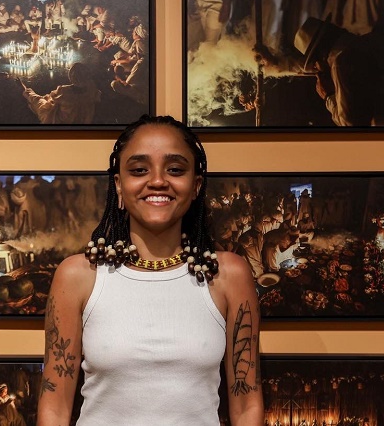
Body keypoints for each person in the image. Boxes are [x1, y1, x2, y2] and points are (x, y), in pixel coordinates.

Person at [37, 115, 263, 425]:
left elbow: (247, 406)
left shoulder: (228, 274)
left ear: (196, 185)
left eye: (175, 169)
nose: (157, 181)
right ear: (119, 184)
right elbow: (54, 407)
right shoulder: (78, 275)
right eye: (139, 170)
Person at [20, 62, 101, 124]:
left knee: (40, 102)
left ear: (71, 76)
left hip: (64, 120)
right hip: (85, 118)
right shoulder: (92, 88)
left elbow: (53, 98)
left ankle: (26, 91)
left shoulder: (64, 91)